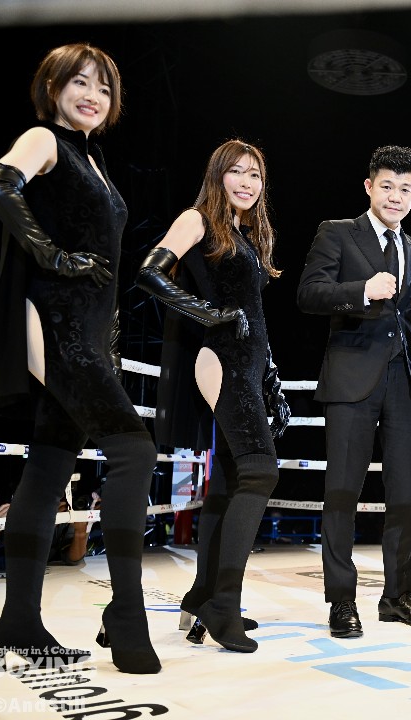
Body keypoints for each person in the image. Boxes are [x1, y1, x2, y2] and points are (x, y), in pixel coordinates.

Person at [0, 43, 160, 674]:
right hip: (56, 324)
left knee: (48, 466)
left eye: (104, 89)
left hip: (90, 332)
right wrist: (51, 254)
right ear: (52, 86)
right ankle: (126, 613)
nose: (93, 96)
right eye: (80, 82)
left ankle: (18, 622)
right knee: (135, 451)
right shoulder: (44, 139)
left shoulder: (94, 158)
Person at [136, 139, 290, 653]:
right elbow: (149, 272)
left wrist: (270, 373)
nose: (247, 182)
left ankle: (203, 596)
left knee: (229, 482)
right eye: (237, 172)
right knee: (261, 472)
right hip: (222, 358)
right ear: (217, 175)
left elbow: (252, 310)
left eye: (255, 174)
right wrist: (210, 314)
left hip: (249, 363)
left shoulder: (243, 234)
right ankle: (223, 604)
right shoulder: (197, 219)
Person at [297, 145, 411, 638]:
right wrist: (361, 290)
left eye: (405, 189)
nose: (395, 196)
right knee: (341, 492)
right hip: (351, 377)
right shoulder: (337, 232)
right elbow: (308, 293)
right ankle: (341, 600)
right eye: (387, 186)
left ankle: (397, 596)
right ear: (369, 187)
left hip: (408, 383)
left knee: (404, 495)